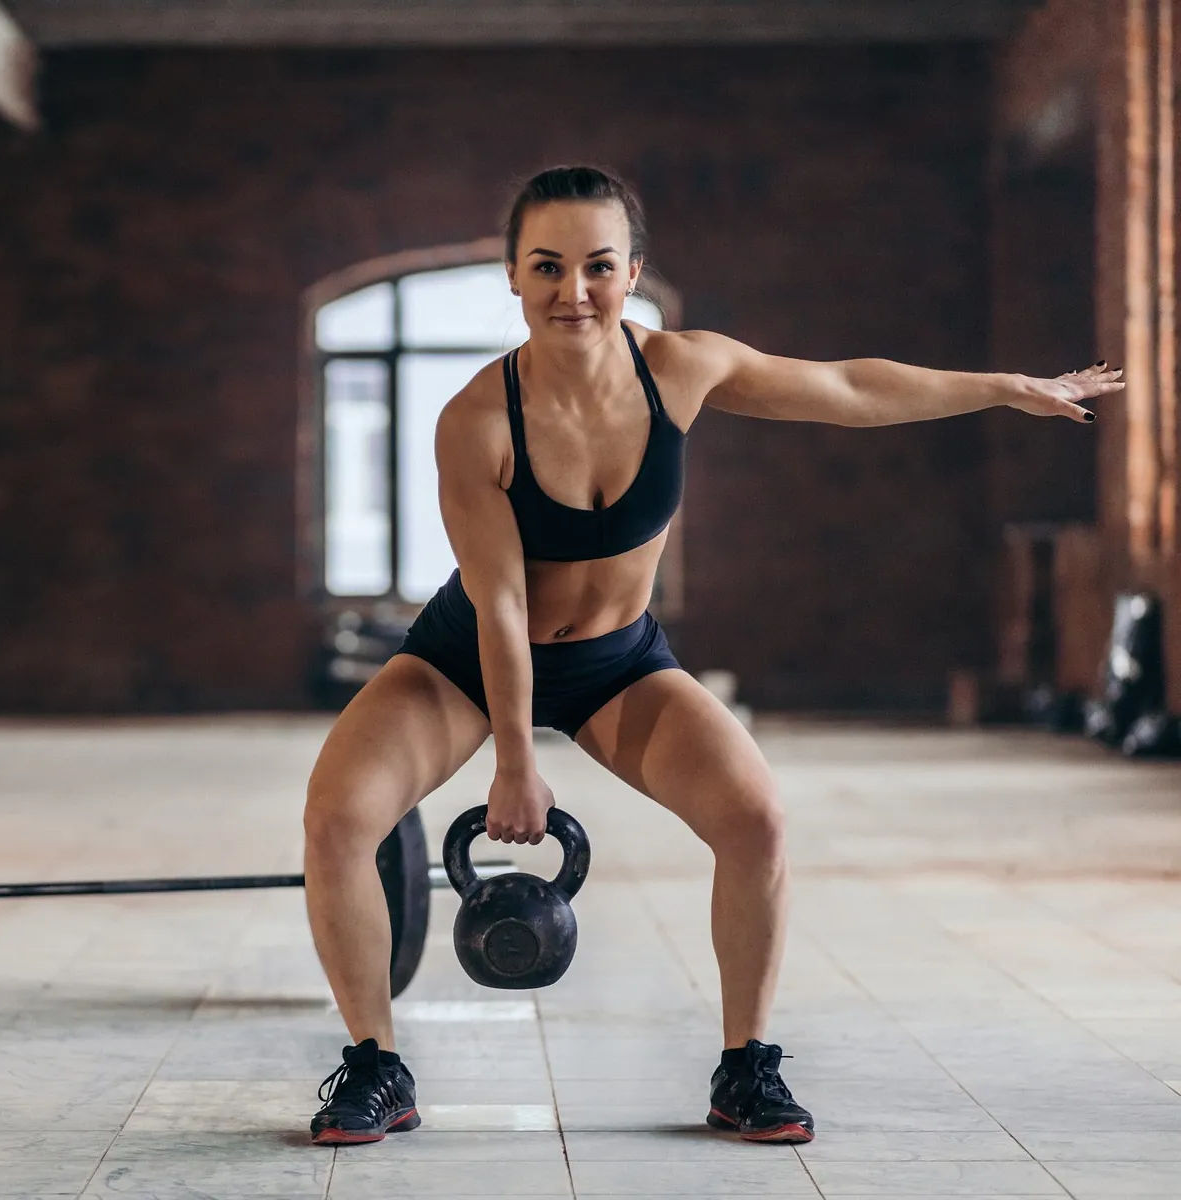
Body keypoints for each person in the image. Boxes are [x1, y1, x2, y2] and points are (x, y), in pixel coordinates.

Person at [302, 165, 1123, 1147]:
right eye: (548, 267)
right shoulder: (477, 418)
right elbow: (503, 601)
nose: (574, 291)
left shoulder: (683, 370)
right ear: (512, 279)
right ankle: (373, 1065)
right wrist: (514, 762)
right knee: (339, 819)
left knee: (757, 820)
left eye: (599, 266)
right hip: (466, 659)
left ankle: (747, 1070)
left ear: (634, 271)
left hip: (617, 662)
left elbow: (848, 388)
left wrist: (1004, 389)